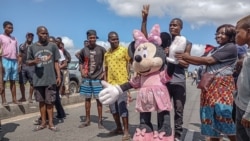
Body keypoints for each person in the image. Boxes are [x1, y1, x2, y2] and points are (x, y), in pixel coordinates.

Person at [175, 24, 237, 141]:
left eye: (223, 33)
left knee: (223, 116)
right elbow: (198, 61)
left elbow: (208, 60)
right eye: (218, 33)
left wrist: (184, 55)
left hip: (221, 86)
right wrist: (180, 56)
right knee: (210, 118)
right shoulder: (216, 49)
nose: (219, 35)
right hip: (210, 87)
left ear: (230, 36)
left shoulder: (231, 47)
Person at [141, 6, 189, 141]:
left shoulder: (186, 43)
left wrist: (172, 57)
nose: (172, 27)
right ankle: (163, 133)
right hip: (162, 82)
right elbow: (145, 41)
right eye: (170, 25)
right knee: (162, 109)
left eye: (175, 25)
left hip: (178, 81)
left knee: (178, 110)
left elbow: (186, 64)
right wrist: (144, 20)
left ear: (181, 28)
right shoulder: (162, 41)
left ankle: (178, 134)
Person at [27, 26, 61, 132]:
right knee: (41, 102)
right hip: (38, 80)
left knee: (50, 102)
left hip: (50, 79)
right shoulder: (32, 47)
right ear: (37, 34)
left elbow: (56, 62)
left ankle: (50, 123)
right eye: (42, 33)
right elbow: (27, 61)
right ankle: (43, 122)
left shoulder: (53, 46)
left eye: (46, 33)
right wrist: (34, 61)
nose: (44, 35)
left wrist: (58, 76)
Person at [104, 31, 130, 140]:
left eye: (117, 39)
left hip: (122, 84)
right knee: (113, 109)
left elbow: (129, 63)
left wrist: (128, 77)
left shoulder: (124, 50)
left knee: (122, 107)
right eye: (113, 39)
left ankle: (126, 132)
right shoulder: (107, 54)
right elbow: (106, 69)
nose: (115, 41)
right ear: (109, 40)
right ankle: (118, 128)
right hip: (110, 85)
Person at [78, 30, 106, 129]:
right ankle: (87, 120)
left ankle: (100, 121)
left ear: (96, 38)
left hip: (97, 78)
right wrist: (82, 71)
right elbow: (80, 62)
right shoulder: (83, 50)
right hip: (87, 79)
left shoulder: (101, 49)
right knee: (87, 99)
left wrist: (104, 73)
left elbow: (107, 62)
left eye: (94, 38)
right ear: (88, 38)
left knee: (99, 100)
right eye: (91, 38)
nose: (92, 39)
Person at [234, 14, 250, 141]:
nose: (235, 36)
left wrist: (249, 114)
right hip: (241, 105)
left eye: (237, 32)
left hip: (247, 111)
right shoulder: (247, 54)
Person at [0, 21, 19, 106]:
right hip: (4, 59)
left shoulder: (14, 38)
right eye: (9, 27)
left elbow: (17, 51)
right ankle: (4, 100)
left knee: (13, 81)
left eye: (12, 28)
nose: (11, 29)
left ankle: (14, 99)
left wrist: (19, 63)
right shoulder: (1, 37)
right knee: (3, 81)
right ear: (4, 28)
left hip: (14, 60)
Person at [18, 32, 35, 103]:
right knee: (21, 82)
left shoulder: (35, 46)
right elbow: (20, 56)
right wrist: (19, 65)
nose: (30, 37)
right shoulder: (21, 46)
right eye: (29, 36)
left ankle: (30, 97)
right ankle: (23, 97)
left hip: (32, 66)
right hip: (23, 66)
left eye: (31, 36)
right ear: (26, 36)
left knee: (32, 82)